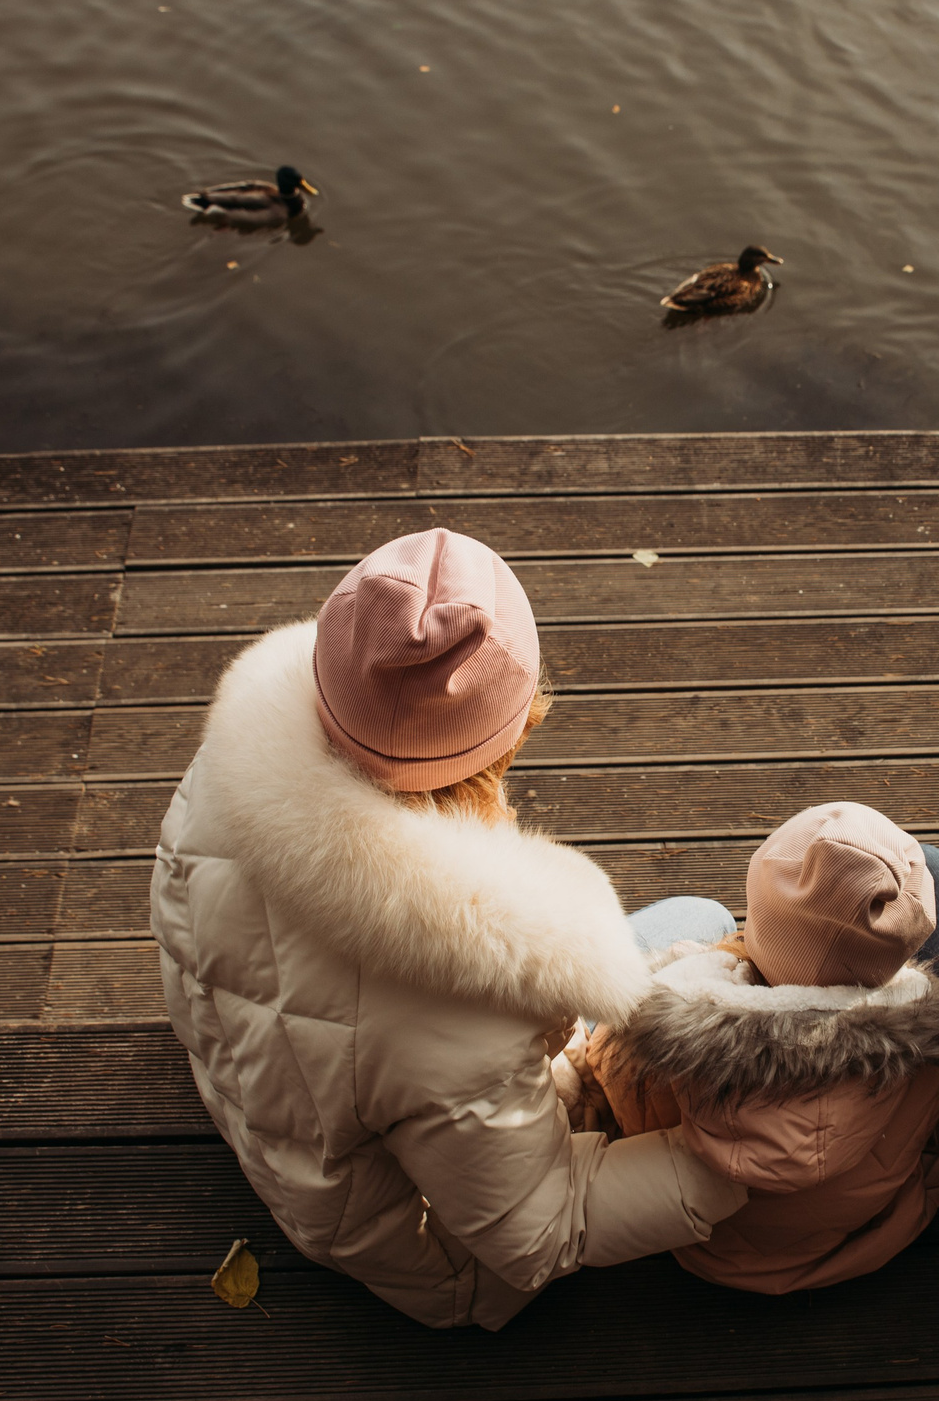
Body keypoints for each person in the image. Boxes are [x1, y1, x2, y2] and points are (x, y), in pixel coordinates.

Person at [148, 529, 749, 1330]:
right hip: (437, 1260)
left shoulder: (224, 771)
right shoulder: (465, 1005)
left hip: (263, 1111)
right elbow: (539, 1232)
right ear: (506, 735)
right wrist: (733, 1165)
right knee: (703, 924)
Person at [566, 802, 939, 1294]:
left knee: (701, 916)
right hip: (862, 1235)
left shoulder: (673, 1045)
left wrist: (689, 973)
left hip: (713, 1247)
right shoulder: (926, 1042)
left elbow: (612, 1081)